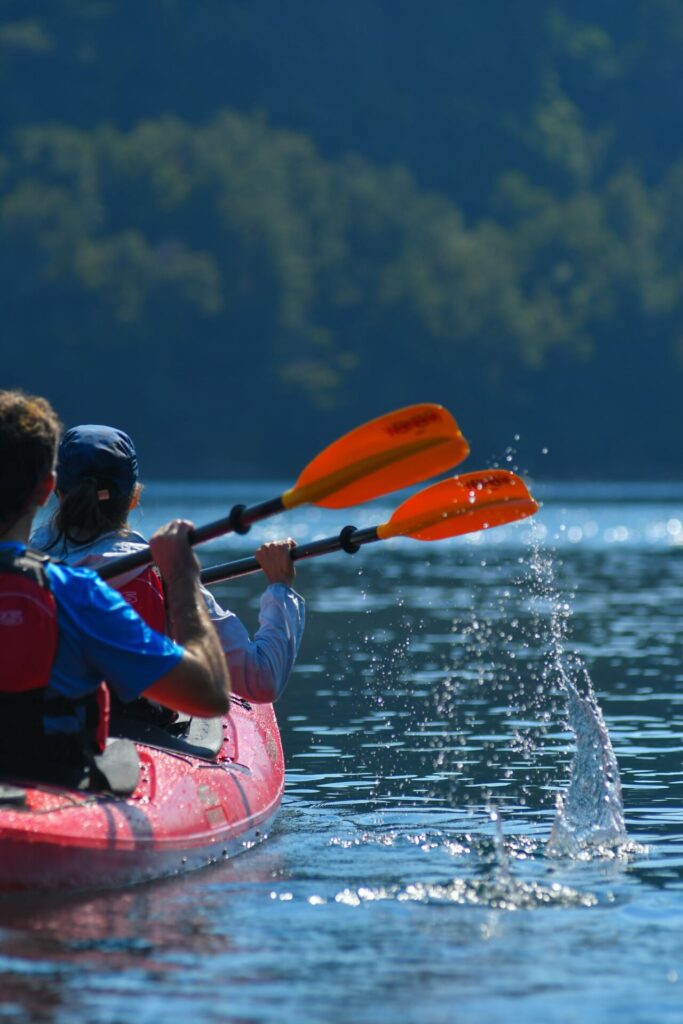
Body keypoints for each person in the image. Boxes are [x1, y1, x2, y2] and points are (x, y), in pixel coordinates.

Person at [0, 390, 231, 775]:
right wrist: (182, 581)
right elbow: (209, 695)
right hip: (50, 788)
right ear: (45, 489)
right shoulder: (75, 594)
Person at [31, 423, 305, 707]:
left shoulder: (18, 568)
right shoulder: (163, 572)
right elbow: (261, 681)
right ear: (135, 497)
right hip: (141, 733)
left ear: (55, 491)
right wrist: (279, 589)